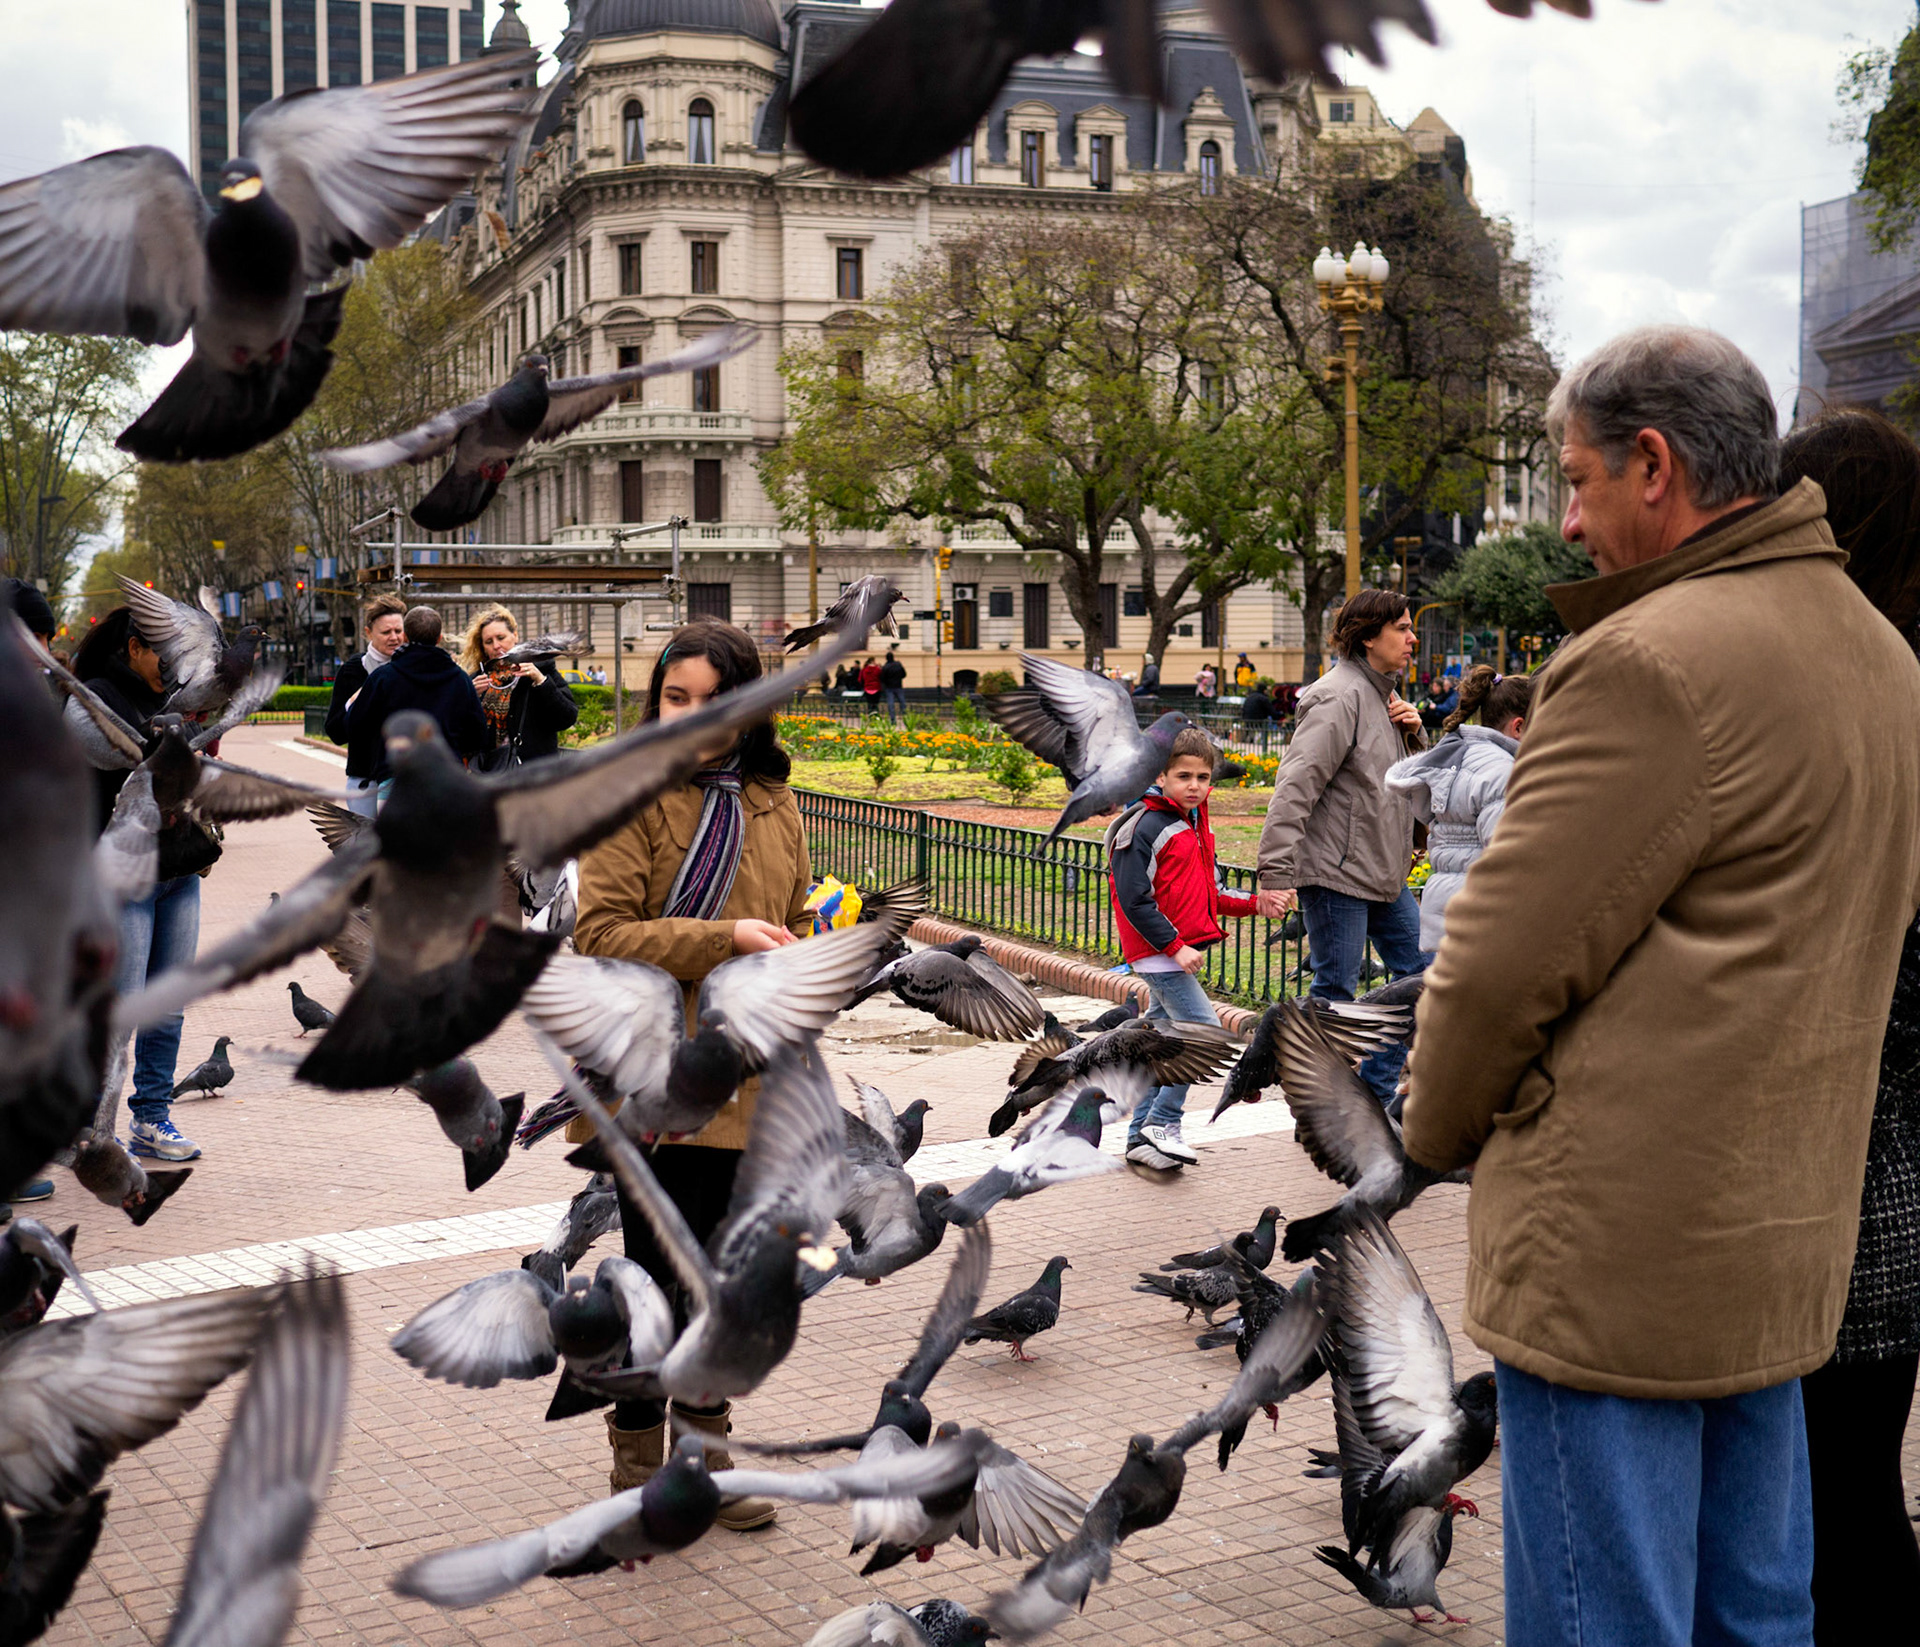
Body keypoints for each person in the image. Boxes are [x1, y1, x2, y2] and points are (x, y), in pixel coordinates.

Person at [1402, 327, 1920, 1647]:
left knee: (1603, 1617)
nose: (1568, 520)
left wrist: (1436, 1129)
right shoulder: (1877, 654)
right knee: (1758, 1611)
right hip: (1780, 1240)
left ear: (1655, 463)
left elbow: (1494, 974)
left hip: (1615, 1263)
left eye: (1578, 481)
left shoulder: (1649, 662)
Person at [572, 616, 812, 1530]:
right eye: (677, 697)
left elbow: (786, 915)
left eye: (716, 700)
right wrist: (726, 940)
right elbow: (599, 934)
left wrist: (804, 948)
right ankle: (639, 1453)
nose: (695, 716)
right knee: (654, 1276)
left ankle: (704, 1454)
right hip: (653, 1074)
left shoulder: (774, 802)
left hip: (746, 1074)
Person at [1778, 405, 1920, 1641]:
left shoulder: (1865, 682)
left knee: (1837, 1496)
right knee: (1858, 1478)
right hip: (1896, 1161)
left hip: (1853, 1162)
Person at [1256, 588, 1428, 1102]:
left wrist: (1416, 735)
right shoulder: (1338, 696)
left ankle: (1370, 1100)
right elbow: (1295, 787)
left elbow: (1397, 786)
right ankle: (1323, 1110)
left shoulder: (1384, 697)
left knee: (1420, 980)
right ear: (1369, 636)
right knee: (1335, 996)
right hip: (1336, 875)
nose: (1412, 638)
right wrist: (1276, 873)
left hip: (1381, 873)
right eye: (1402, 627)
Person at [76, 607, 223, 1166]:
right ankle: (94, 1127)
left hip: (179, 872)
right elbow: (121, 757)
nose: (175, 665)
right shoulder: (94, 697)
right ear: (135, 647)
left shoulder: (173, 698)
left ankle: (151, 1117)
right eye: (166, 653)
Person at [1108, 727, 1258, 1171]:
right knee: (1204, 1032)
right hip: (1158, 954)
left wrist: (1256, 904)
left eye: (1203, 777)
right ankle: (1164, 1122)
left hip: (1173, 952)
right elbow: (1133, 900)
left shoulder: (1194, 824)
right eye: (1184, 776)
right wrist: (1174, 947)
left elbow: (1209, 894)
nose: (1195, 785)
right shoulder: (1144, 825)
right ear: (1162, 775)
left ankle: (1139, 1138)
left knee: (1161, 1044)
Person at [1385, 664, 1534, 953]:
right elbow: (1508, 857)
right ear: (1519, 727)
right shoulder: (1503, 772)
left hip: (1449, 910)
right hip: (1484, 919)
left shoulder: (1462, 757)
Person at [345, 605, 489, 791]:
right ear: (439, 638)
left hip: (395, 779)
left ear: (405, 636)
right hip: (447, 777)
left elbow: (355, 725)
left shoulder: (383, 678)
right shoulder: (460, 679)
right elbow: (478, 735)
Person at [458, 604, 579, 767]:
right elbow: (461, 734)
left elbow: (567, 718)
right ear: (483, 648)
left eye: (501, 638)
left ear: (515, 636)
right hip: (491, 772)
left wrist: (540, 681)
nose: (496, 646)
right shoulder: (476, 680)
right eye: (488, 641)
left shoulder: (542, 669)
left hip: (534, 773)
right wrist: (468, 697)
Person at [325, 594, 407, 816]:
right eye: (386, 632)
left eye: (399, 631)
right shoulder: (353, 671)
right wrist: (356, 702)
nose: (394, 638)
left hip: (408, 779)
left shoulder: (414, 667)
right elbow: (335, 731)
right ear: (368, 633)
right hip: (366, 783)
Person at [879, 648, 907, 721]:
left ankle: (892, 719)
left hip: (889, 687)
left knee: (891, 704)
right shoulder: (898, 665)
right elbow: (904, 674)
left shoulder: (885, 667)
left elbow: (882, 678)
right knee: (902, 702)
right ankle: (906, 717)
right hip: (898, 686)